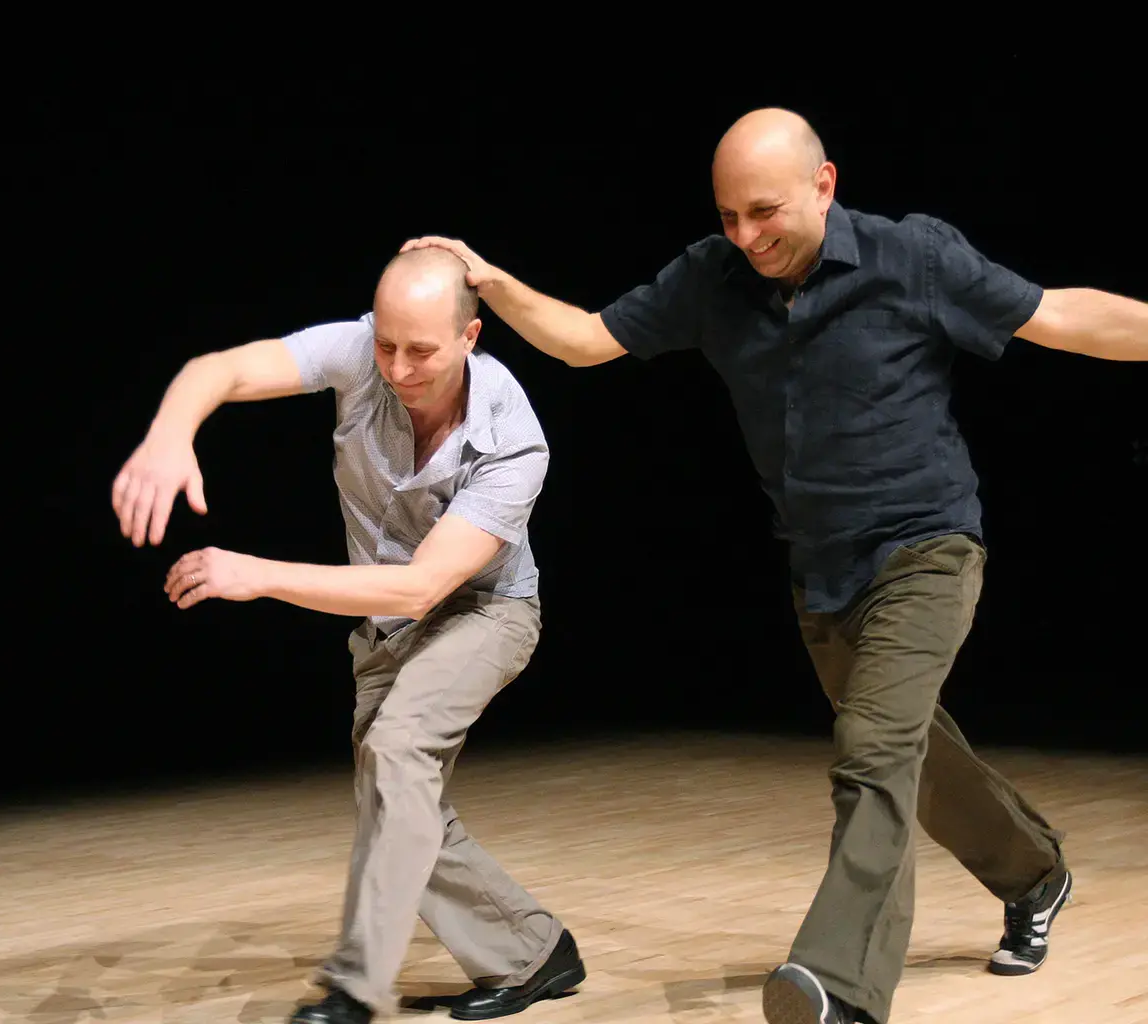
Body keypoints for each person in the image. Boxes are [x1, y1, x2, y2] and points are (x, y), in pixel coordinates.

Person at [400, 108, 1147, 1024]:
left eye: (766, 212)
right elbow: (586, 339)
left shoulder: (911, 258)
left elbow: (1062, 315)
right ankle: (1035, 874)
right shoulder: (713, 279)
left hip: (927, 548)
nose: (747, 237)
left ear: (823, 185)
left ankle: (839, 986)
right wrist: (491, 281)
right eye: (729, 217)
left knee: (872, 756)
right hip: (823, 571)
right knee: (915, 753)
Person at [111, 247, 586, 1024]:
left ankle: (356, 989)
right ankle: (531, 952)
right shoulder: (362, 353)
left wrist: (257, 574)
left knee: (398, 755)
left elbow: (422, 586)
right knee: (393, 797)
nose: (397, 367)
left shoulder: (513, 440)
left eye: (421, 350)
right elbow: (219, 370)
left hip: (484, 614)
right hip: (383, 626)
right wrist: (171, 434)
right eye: (385, 345)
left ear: (471, 337)